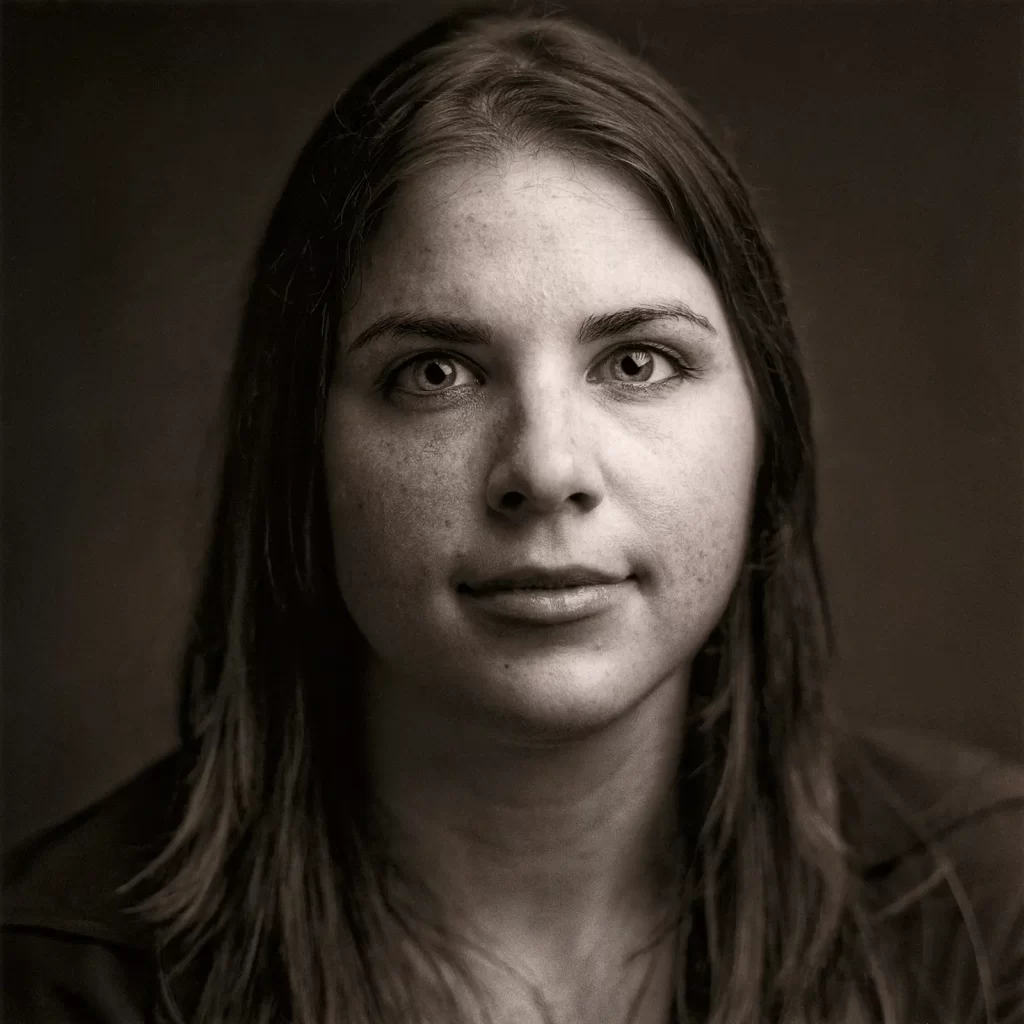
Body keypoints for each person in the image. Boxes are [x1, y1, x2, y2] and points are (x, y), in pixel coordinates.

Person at [3, 8, 1023, 1024]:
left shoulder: (985, 908)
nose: (544, 467)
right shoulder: (61, 982)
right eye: (435, 372)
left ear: (767, 421)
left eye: (636, 363)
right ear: (301, 448)